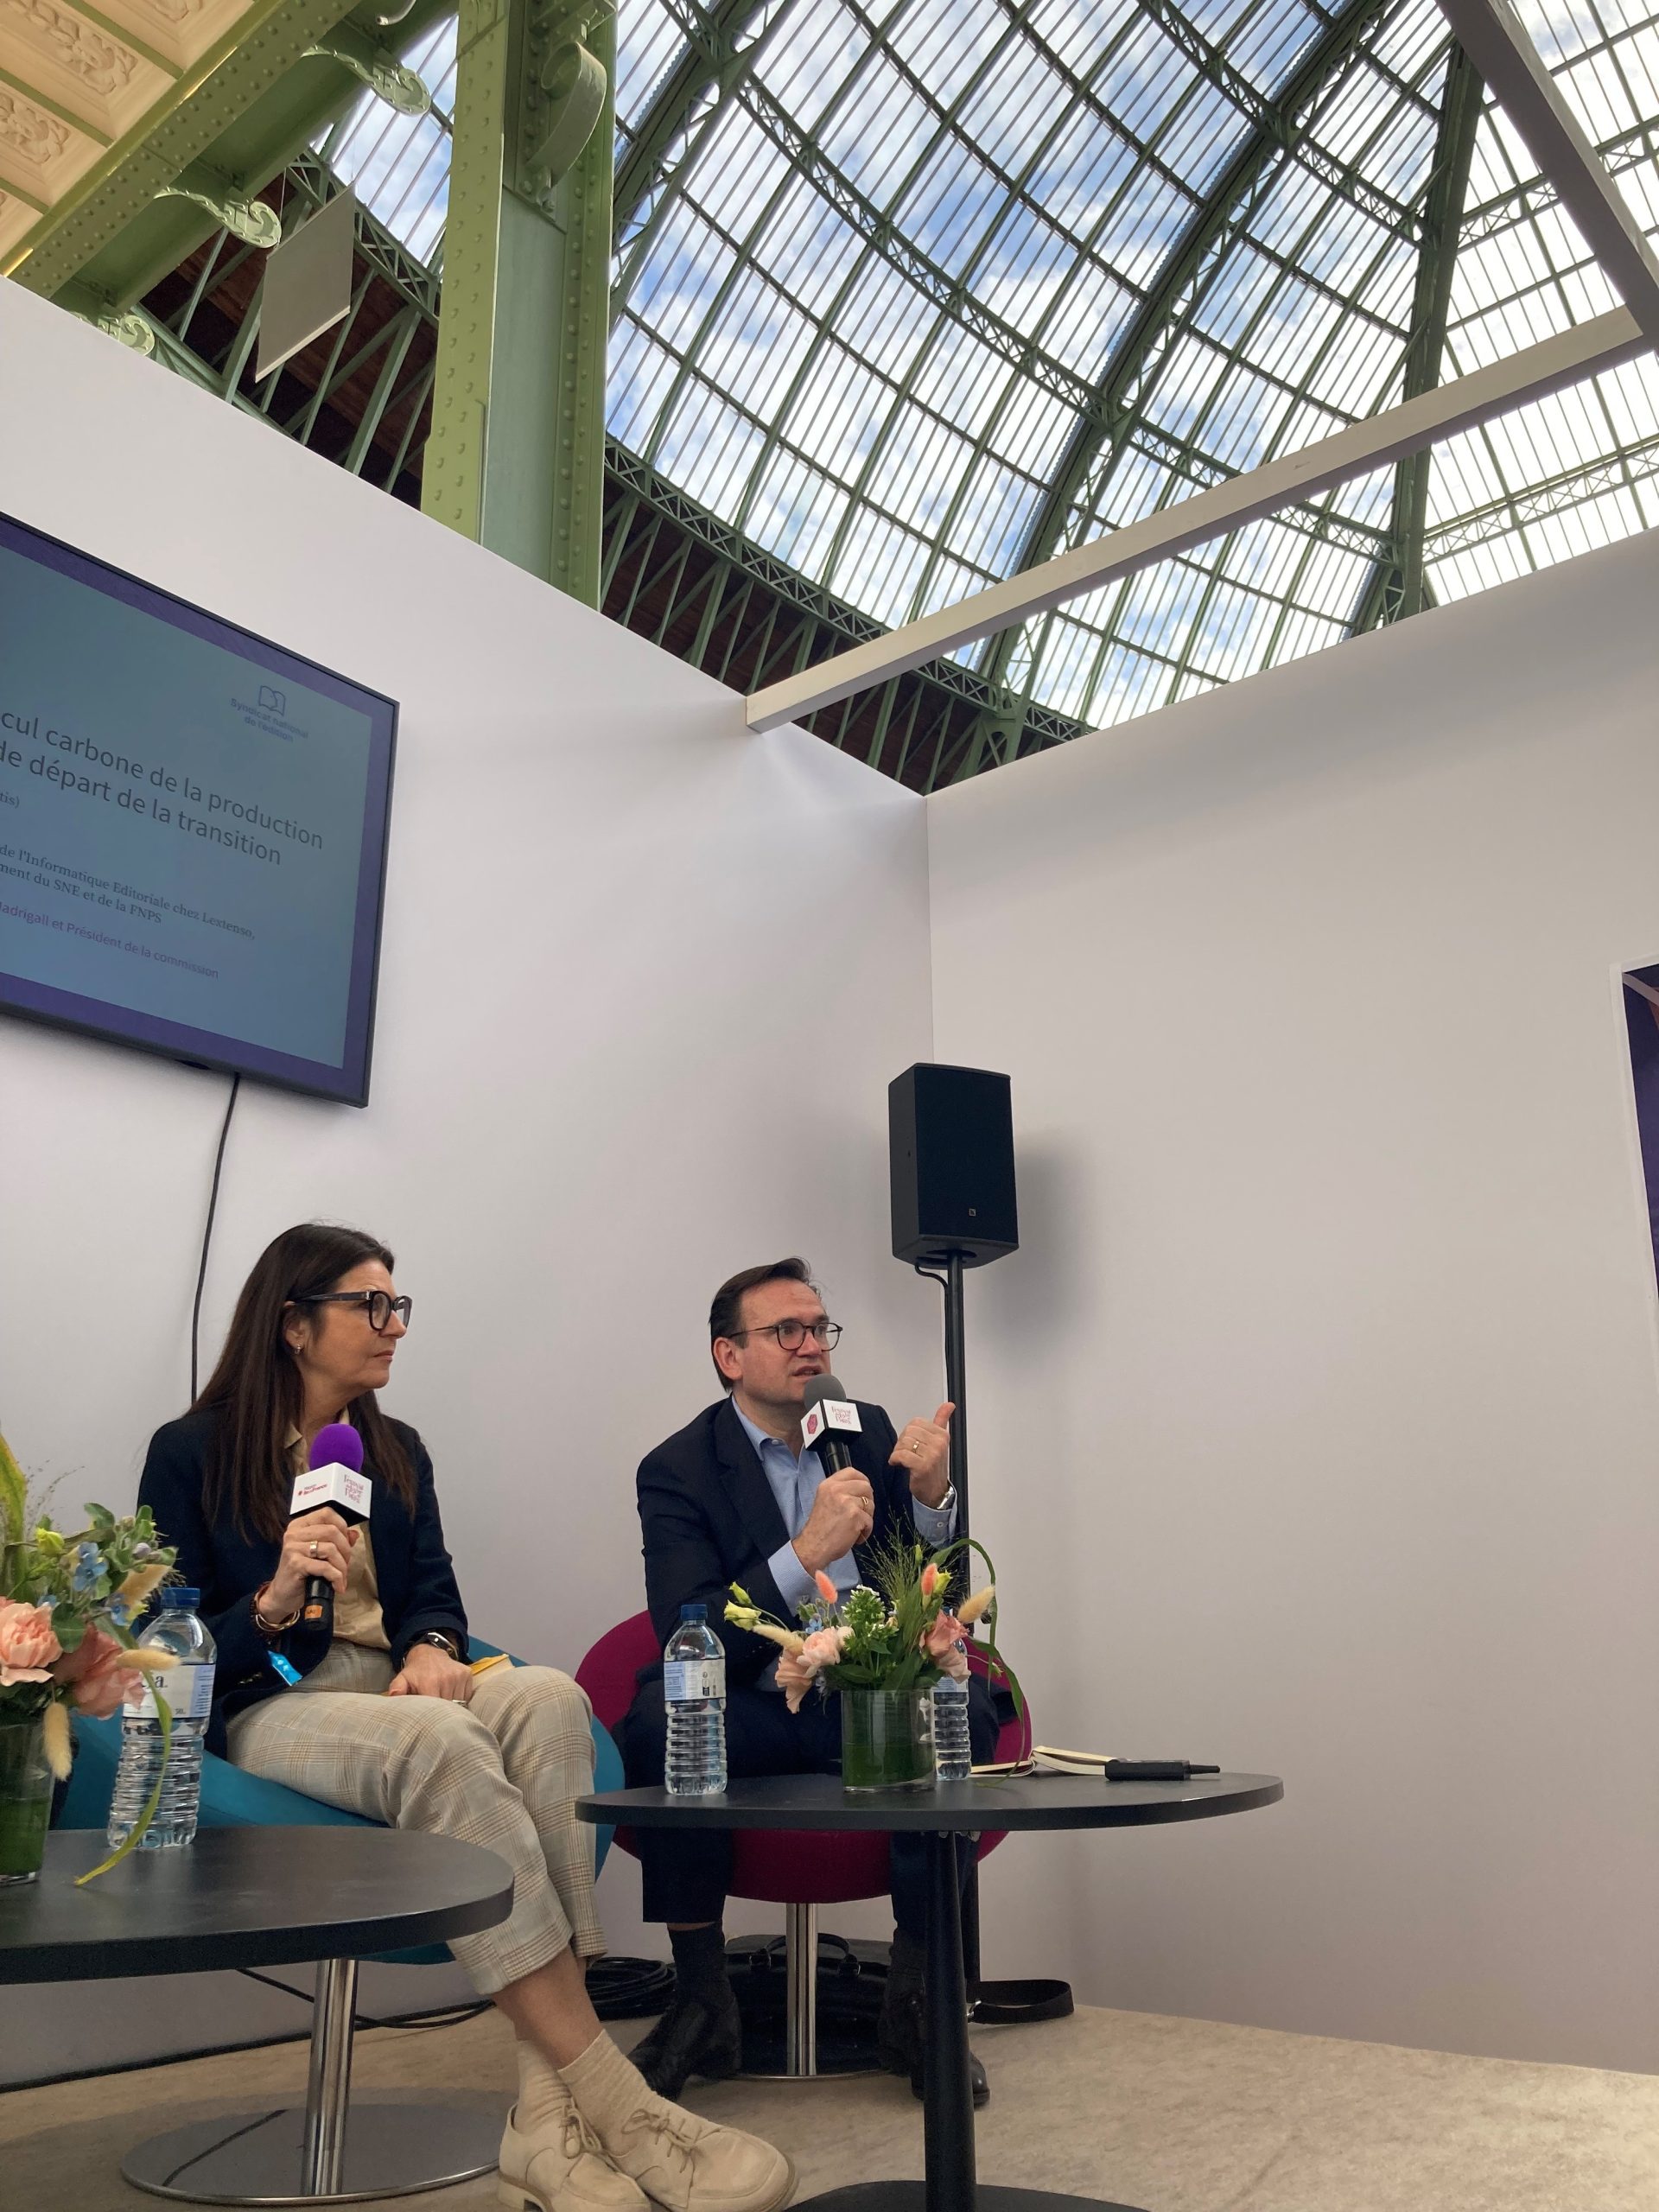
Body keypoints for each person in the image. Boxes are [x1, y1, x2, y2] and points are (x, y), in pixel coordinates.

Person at [137, 1224, 791, 2212]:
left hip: (393, 1687)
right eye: (371, 1305)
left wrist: (432, 1648)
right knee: (444, 1740)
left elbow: (434, 1593)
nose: (395, 1325)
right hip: (271, 1698)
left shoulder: (394, 1451)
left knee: (551, 1696)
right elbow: (165, 1637)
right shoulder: (191, 1452)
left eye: (399, 1305)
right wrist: (270, 1601)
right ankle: (621, 2107)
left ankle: (544, 2123)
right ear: (294, 1324)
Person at [616, 1257, 999, 2106]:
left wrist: (933, 1498)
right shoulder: (678, 1467)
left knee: (960, 1711)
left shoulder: (865, 1431)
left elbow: (930, 1592)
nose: (810, 1345)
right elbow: (687, 1628)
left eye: (819, 1328)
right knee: (657, 1721)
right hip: (753, 1704)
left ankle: (917, 1998)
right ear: (729, 1355)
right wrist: (803, 1555)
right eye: (785, 1330)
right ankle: (701, 1999)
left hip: (866, 1698)